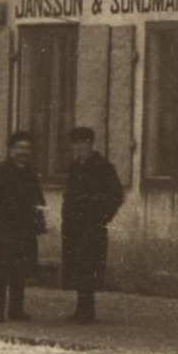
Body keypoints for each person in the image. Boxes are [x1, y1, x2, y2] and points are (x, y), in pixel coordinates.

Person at [58, 124, 124, 324]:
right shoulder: (74, 168)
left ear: (91, 145)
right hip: (73, 226)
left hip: (92, 226)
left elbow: (116, 196)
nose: (79, 148)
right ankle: (81, 308)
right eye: (75, 145)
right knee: (76, 268)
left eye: (83, 144)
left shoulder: (103, 168)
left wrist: (102, 217)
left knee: (88, 267)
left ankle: (88, 311)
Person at [0, 130, 47, 322]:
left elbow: (38, 198)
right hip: (4, 229)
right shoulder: (0, 171)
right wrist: (0, 223)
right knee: (0, 272)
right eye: (19, 147)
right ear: (11, 150)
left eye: (27, 148)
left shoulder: (30, 173)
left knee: (20, 271)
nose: (23, 151)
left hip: (24, 230)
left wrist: (38, 220)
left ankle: (16, 310)